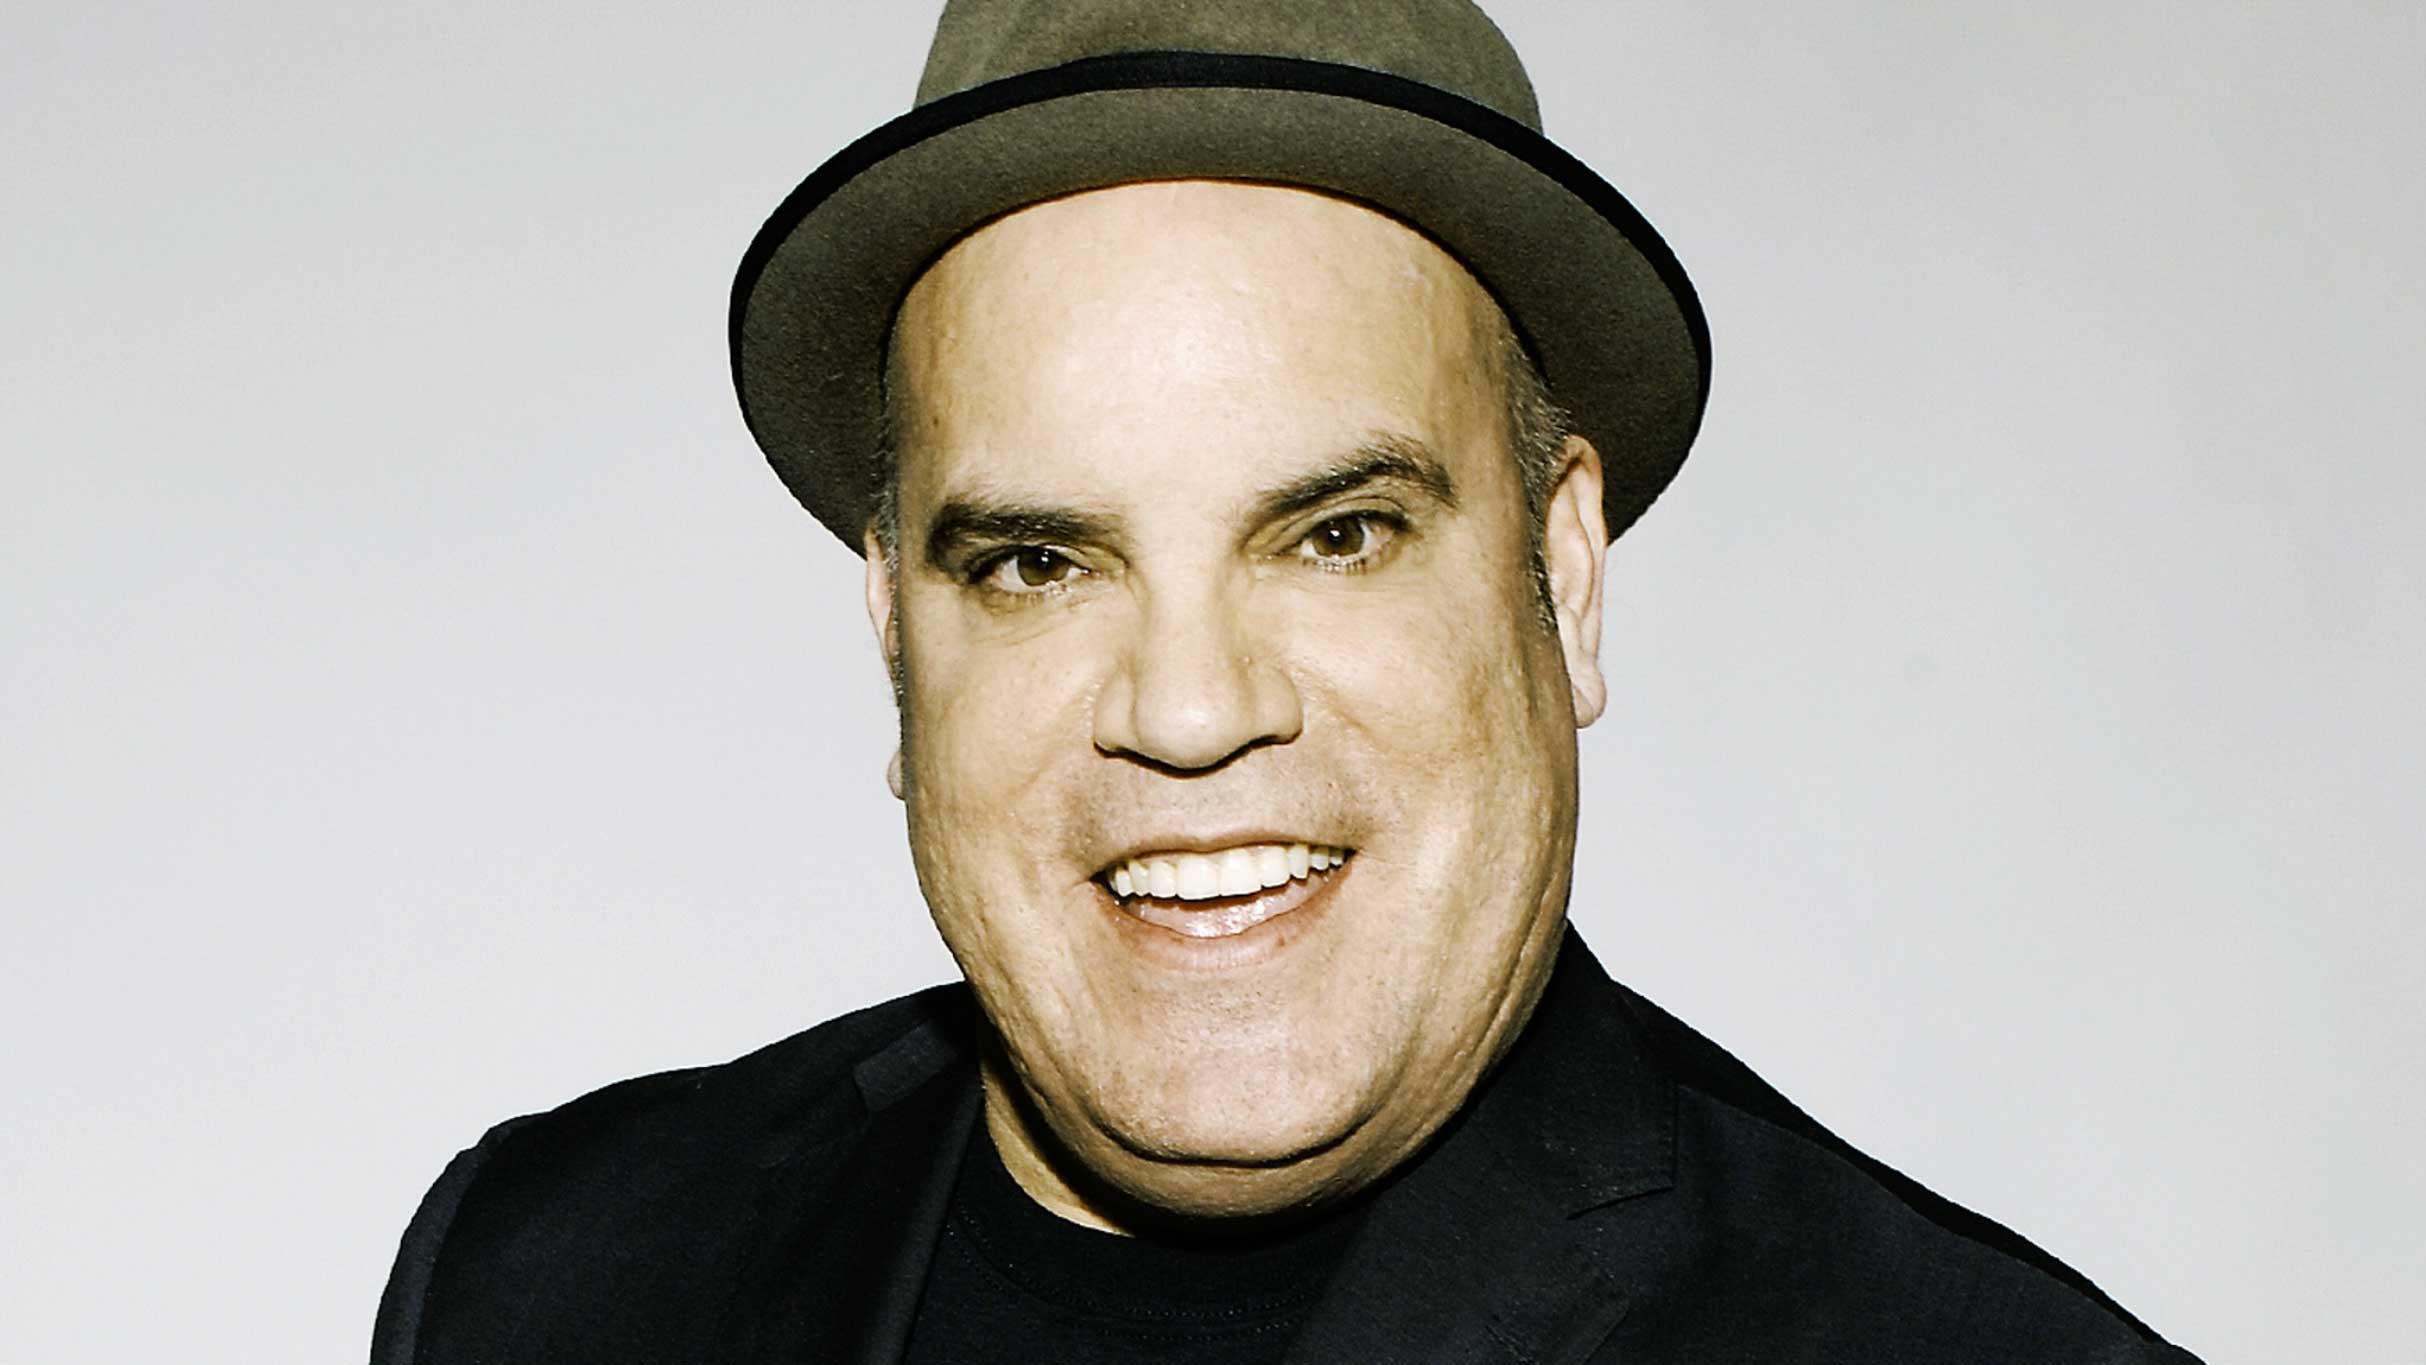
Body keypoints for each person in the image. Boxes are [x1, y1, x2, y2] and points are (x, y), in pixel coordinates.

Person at [374, 2, 2202, 1360]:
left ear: (1561, 577)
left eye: (1335, 534)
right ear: (894, 636)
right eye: (1036, 563)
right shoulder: (548, 1276)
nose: (1187, 711)